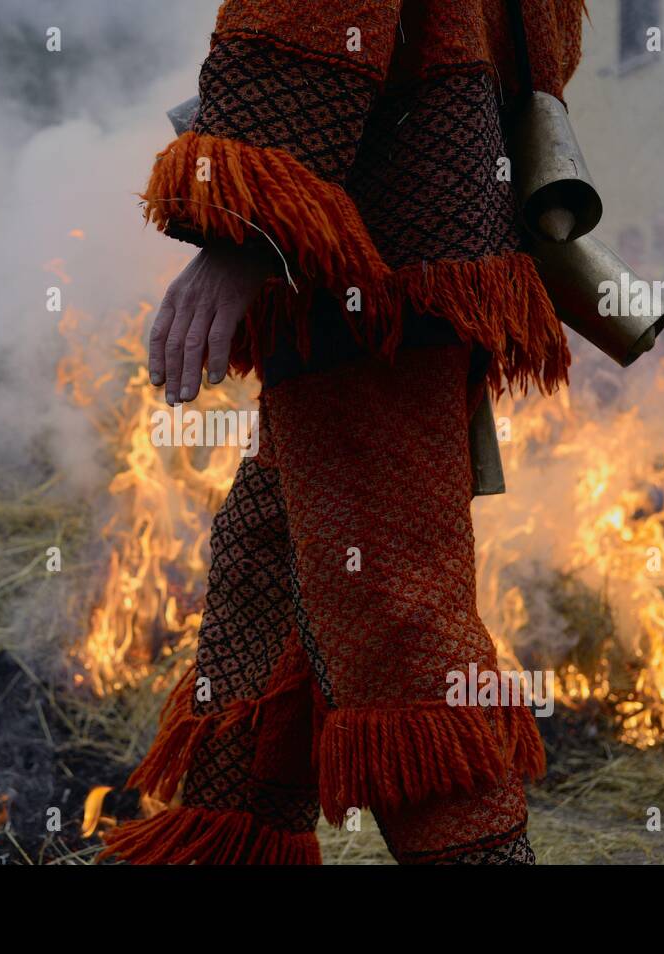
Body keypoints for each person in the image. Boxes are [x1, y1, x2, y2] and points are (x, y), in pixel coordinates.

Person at [100, 0, 585, 865]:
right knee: (270, 580)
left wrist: (244, 227)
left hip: (372, 278)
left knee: (394, 619)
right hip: (404, 267)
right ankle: (232, 844)